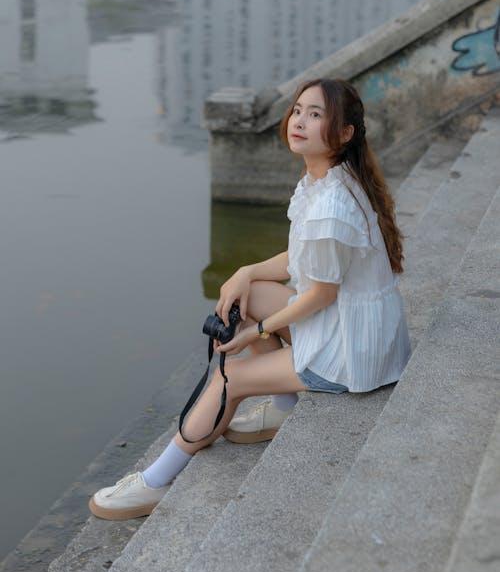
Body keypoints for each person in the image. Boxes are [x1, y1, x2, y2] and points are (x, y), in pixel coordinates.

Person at [89, 78, 411, 521]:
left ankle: (156, 482)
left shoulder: (332, 203)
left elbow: (320, 293)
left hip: (352, 353)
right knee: (246, 298)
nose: (298, 121)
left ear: (344, 134)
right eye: (298, 110)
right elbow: (300, 261)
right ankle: (282, 409)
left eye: (315, 114)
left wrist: (255, 334)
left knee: (230, 376)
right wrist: (246, 272)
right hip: (350, 325)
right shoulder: (327, 178)